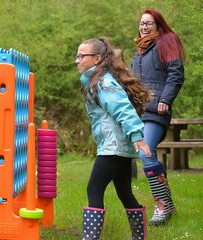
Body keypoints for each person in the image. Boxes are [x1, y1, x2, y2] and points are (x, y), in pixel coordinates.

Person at [75, 37, 152, 240]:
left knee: (94, 189)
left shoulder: (102, 82)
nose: (77, 60)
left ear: (97, 58)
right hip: (119, 147)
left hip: (113, 146)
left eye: (82, 56)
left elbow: (122, 108)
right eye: (77, 55)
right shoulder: (98, 80)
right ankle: (139, 237)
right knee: (125, 192)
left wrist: (137, 135)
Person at [131, 9, 185, 226]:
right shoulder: (139, 51)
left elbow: (176, 73)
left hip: (157, 110)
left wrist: (166, 99)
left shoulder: (167, 42)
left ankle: (162, 205)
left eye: (149, 23)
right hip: (139, 112)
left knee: (146, 154)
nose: (144, 27)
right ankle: (168, 205)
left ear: (158, 24)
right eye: (142, 23)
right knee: (143, 155)